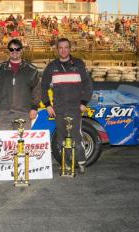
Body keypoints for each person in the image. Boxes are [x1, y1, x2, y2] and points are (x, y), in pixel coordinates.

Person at [41, 38, 93, 174]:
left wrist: (84, 103)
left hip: (75, 108)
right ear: (57, 49)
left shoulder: (79, 64)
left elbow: (88, 85)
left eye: (66, 47)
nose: (63, 50)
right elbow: (43, 87)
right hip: (59, 109)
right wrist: (47, 104)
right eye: (60, 48)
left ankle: (81, 162)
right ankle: (67, 164)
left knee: (76, 136)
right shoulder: (51, 67)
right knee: (61, 139)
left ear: (70, 49)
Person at [0, 38, 41, 130]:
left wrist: (34, 107)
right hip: (3, 112)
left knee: (22, 142)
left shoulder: (32, 70)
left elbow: (36, 90)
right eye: (12, 49)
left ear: (21, 50)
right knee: (5, 143)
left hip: (24, 112)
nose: (14, 51)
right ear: (8, 51)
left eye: (17, 49)